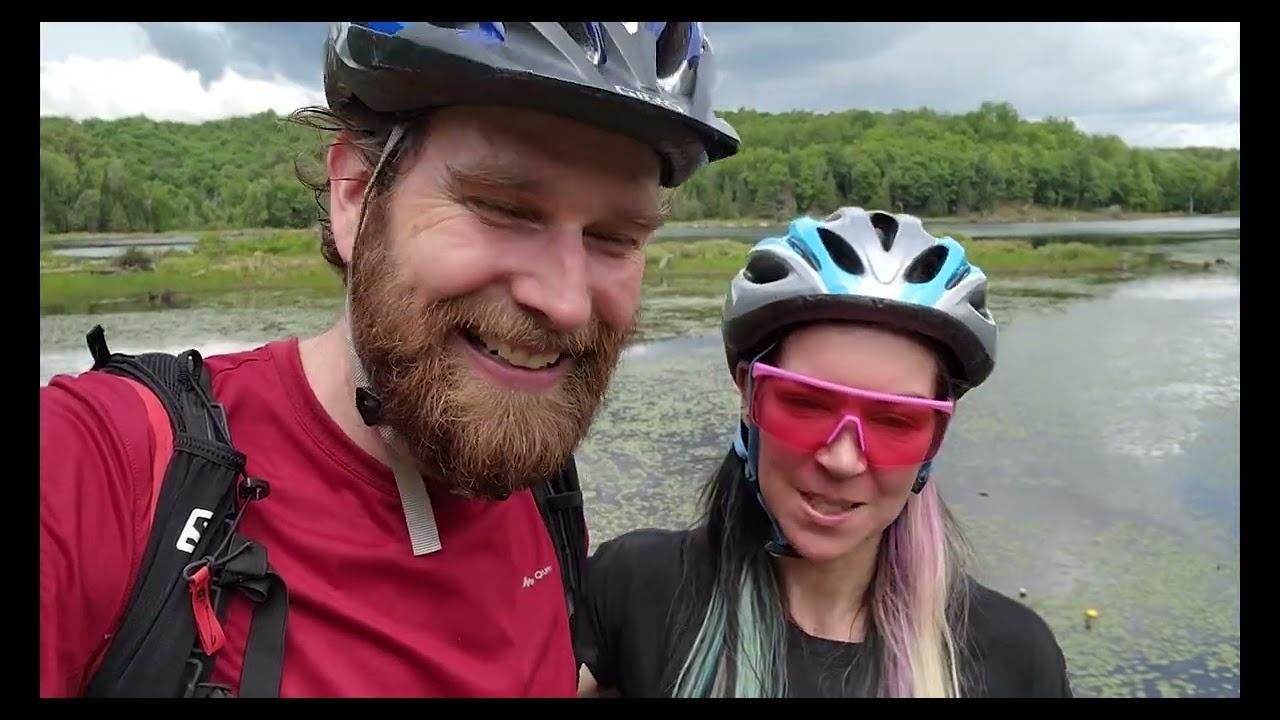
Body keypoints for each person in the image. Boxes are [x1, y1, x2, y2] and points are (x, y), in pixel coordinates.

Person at [39, 22, 739, 698]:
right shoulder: (107, 471)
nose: (565, 303)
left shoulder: (545, 491)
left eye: (615, 237)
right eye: (502, 208)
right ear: (353, 195)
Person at [574, 207, 1073, 698]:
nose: (842, 460)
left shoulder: (1015, 658)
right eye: (807, 404)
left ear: (937, 435)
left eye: (895, 420)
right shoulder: (634, 588)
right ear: (748, 392)